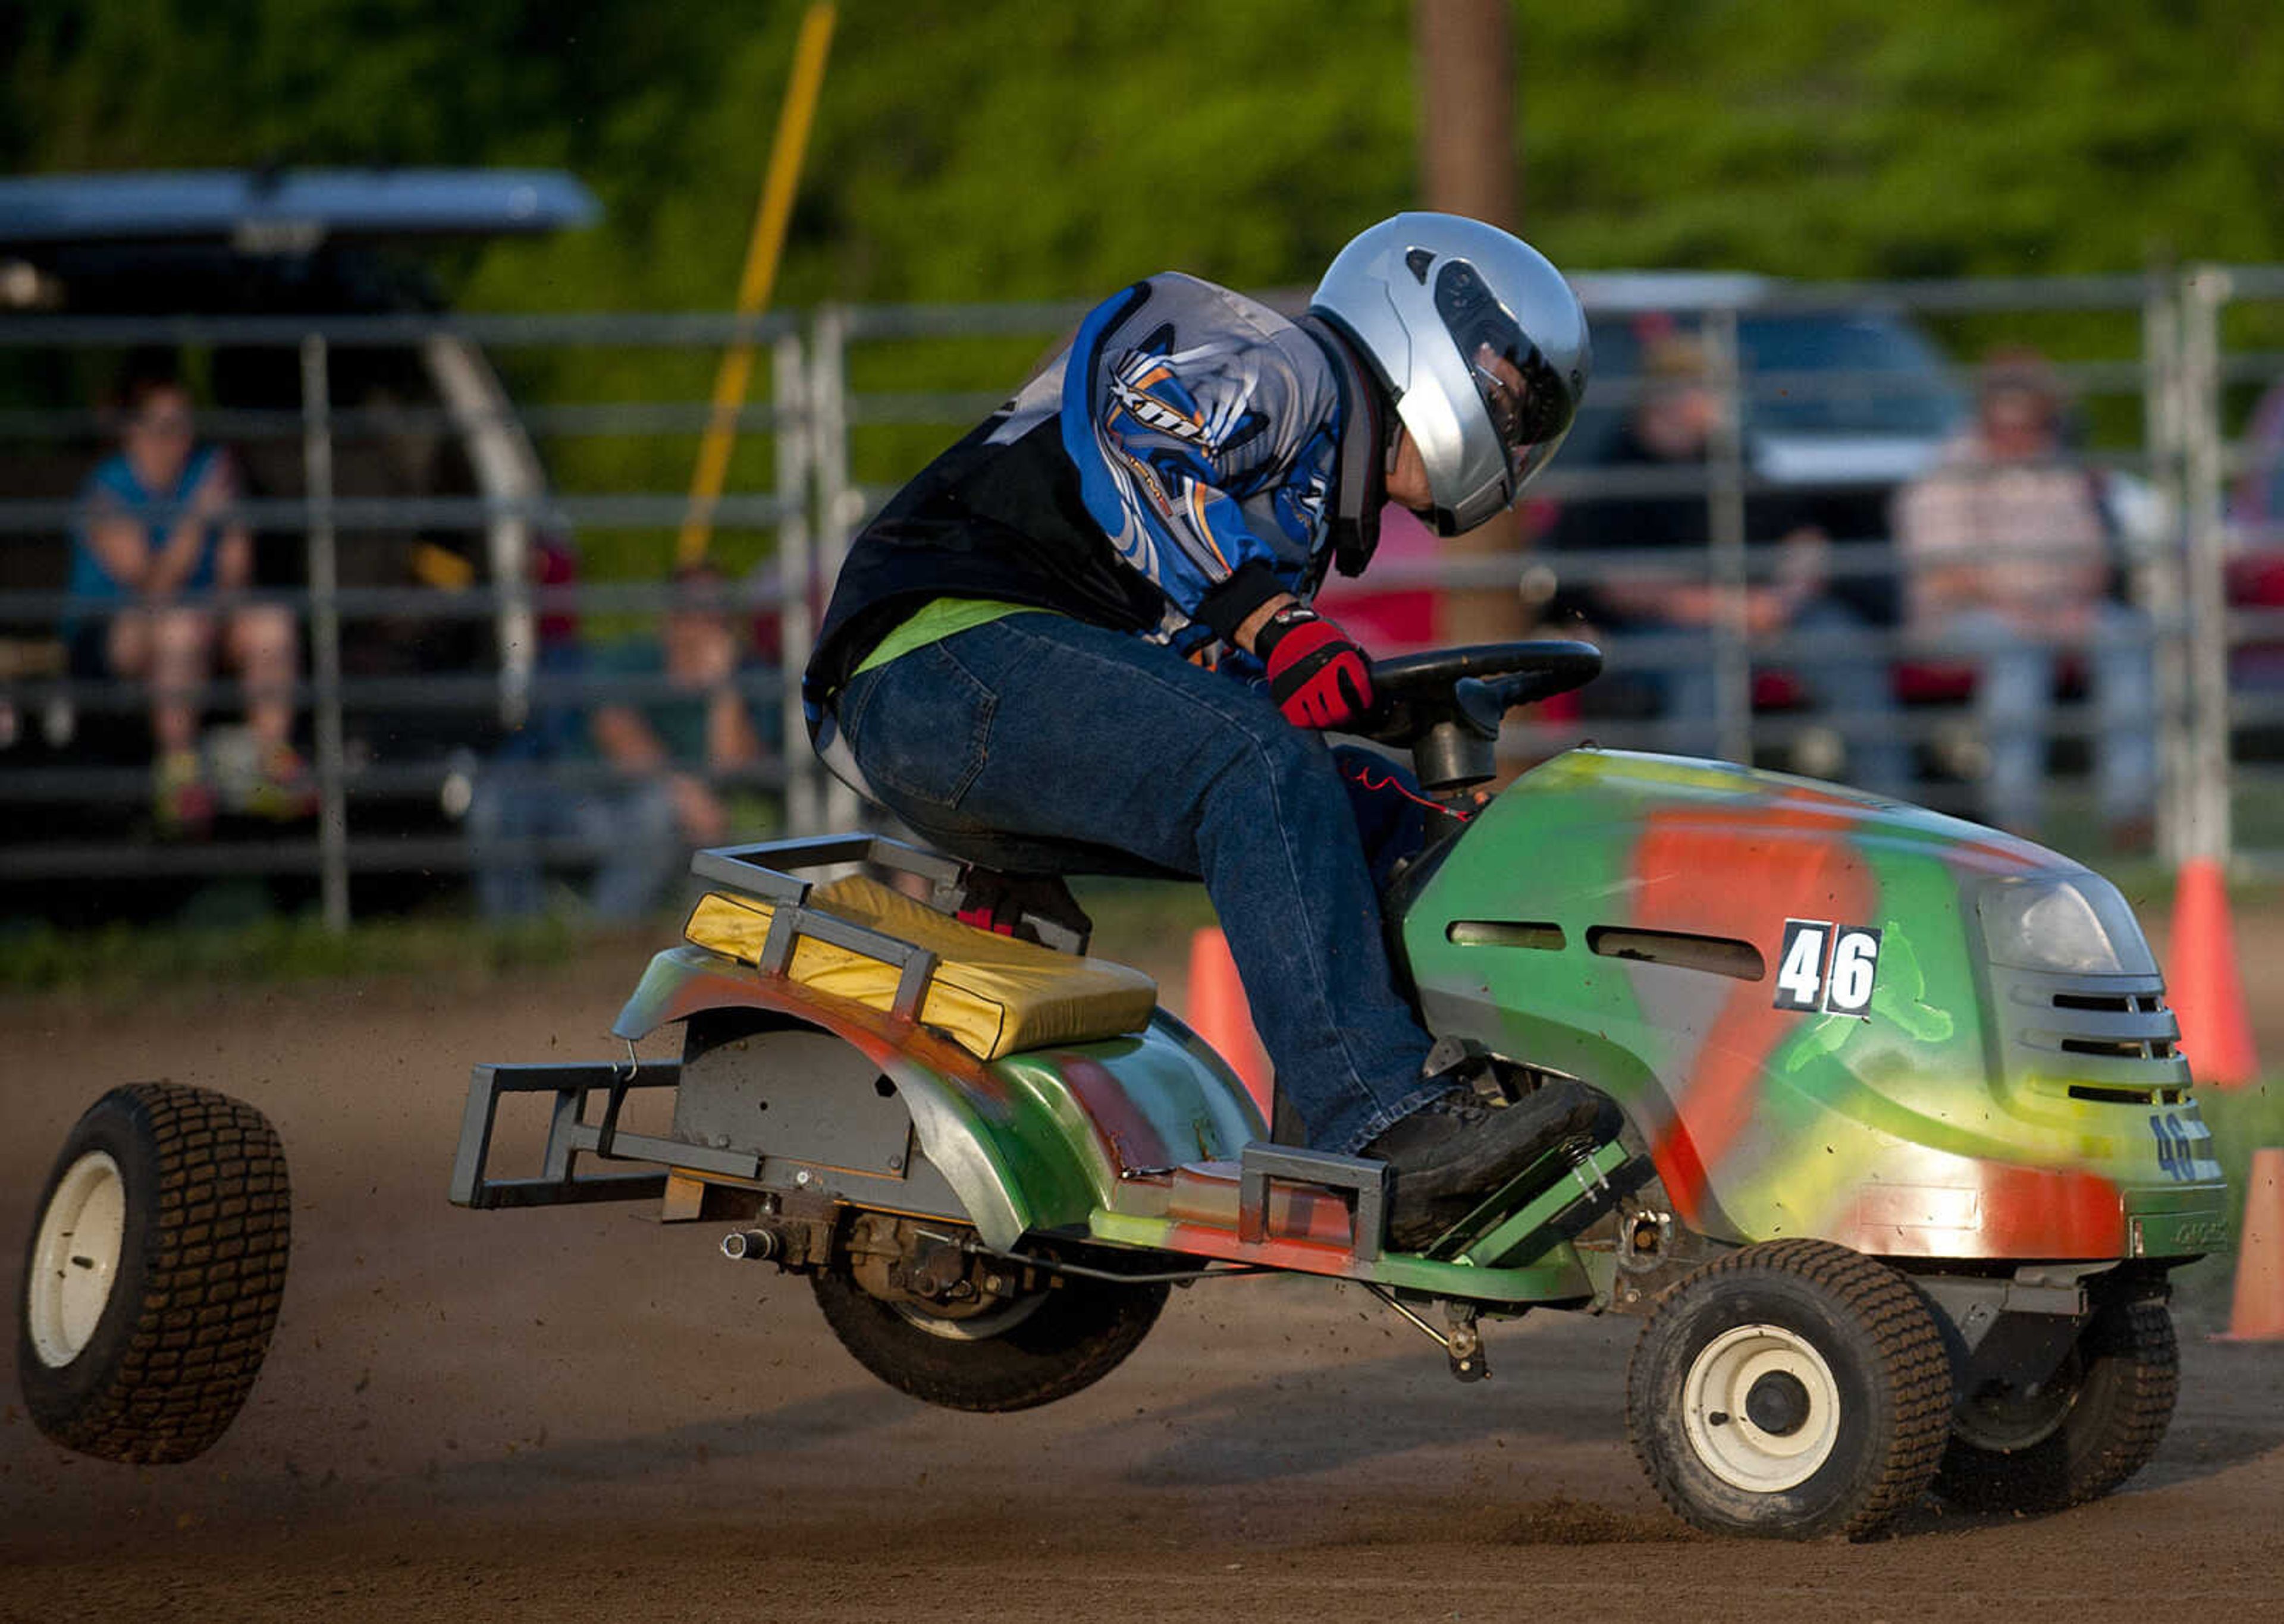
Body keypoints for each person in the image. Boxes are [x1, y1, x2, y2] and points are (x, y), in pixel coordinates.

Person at [802, 213, 1604, 1248]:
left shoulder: (1302, 501)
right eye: (1504, 394)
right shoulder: (1282, 363)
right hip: (939, 656)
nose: (1512, 426)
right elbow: (1136, 448)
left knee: (1370, 810)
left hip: (995, 685)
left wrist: (1357, 702)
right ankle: (1378, 1120)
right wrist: (1277, 623)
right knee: (1257, 764)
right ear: (1419, 331)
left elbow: (1190, 668)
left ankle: (1411, 1120)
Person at [1545, 332, 1910, 796]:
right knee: (1706, 669)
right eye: (1711, 387)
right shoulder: (1619, 471)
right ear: (1671, 395)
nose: (1725, 402)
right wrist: (1733, 607)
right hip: (1669, 633)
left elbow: (1804, 538)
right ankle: (1695, 813)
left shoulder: (1732, 458)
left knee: (1840, 641)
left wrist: (1781, 600)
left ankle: (1891, 805)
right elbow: (1620, 586)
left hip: (1765, 614)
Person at [1891, 347, 2155, 842]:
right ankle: (2016, 822)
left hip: (2055, 612)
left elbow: (2095, 553)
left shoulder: (2057, 466)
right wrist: (2021, 608)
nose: (2024, 431)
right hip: (1962, 620)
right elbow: (1943, 571)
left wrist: (2075, 602)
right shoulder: (1945, 471)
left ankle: (2131, 808)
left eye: (2033, 417)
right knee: (2016, 649)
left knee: (2125, 633)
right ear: (1987, 413)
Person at [68, 356, 307, 832]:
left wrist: (233, 521)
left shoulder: (208, 474)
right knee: (179, 625)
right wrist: (199, 519)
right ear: (133, 429)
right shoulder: (106, 491)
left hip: (200, 622)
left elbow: (235, 581)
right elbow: (150, 584)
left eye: (185, 425)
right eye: (165, 426)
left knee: (271, 622)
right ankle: (179, 776)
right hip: (122, 634)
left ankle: (271, 764)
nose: (179, 437)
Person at [470, 561, 771, 922]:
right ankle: (519, 940)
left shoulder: (744, 685)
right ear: (670, 621)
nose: (709, 622)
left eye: (718, 611)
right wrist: (684, 792)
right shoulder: (630, 662)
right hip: (576, 804)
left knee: (658, 813)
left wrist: (724, 689)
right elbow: (621, 737)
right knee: (494, 801)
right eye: (697, 610)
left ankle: (610, 939)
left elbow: (733, 767)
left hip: (658, 823)